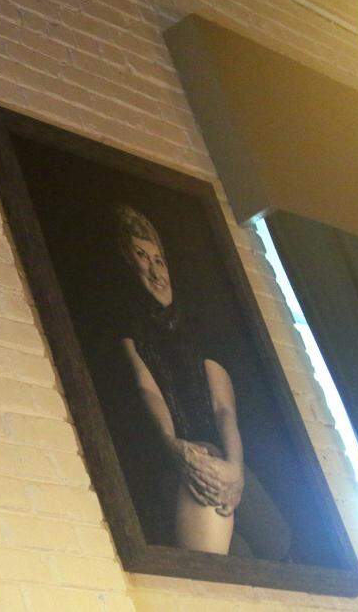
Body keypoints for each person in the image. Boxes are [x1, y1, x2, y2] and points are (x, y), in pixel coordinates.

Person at [109, 205, 290, 557]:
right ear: (129, 263)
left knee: (274, 541)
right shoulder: (129, 329)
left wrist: (236, 469)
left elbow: (224, 408)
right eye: (142, 257)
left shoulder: (199, 325)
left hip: (223, 455)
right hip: (182, 459)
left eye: (159, 259)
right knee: (229, 552)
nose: (154, 268)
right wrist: (174, 447)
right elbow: (146, 388)